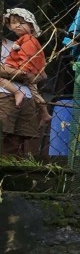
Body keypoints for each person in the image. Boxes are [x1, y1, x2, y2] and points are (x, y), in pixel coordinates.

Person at [0, 9, 46, 156]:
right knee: (4, 136)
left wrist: (24, 74)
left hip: (26, 96)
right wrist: (22, 73)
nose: (17, 26)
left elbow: (41, 74)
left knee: (18, 141)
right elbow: (25, 73)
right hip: (4, 95)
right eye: (14, 23)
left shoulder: (21, 44)